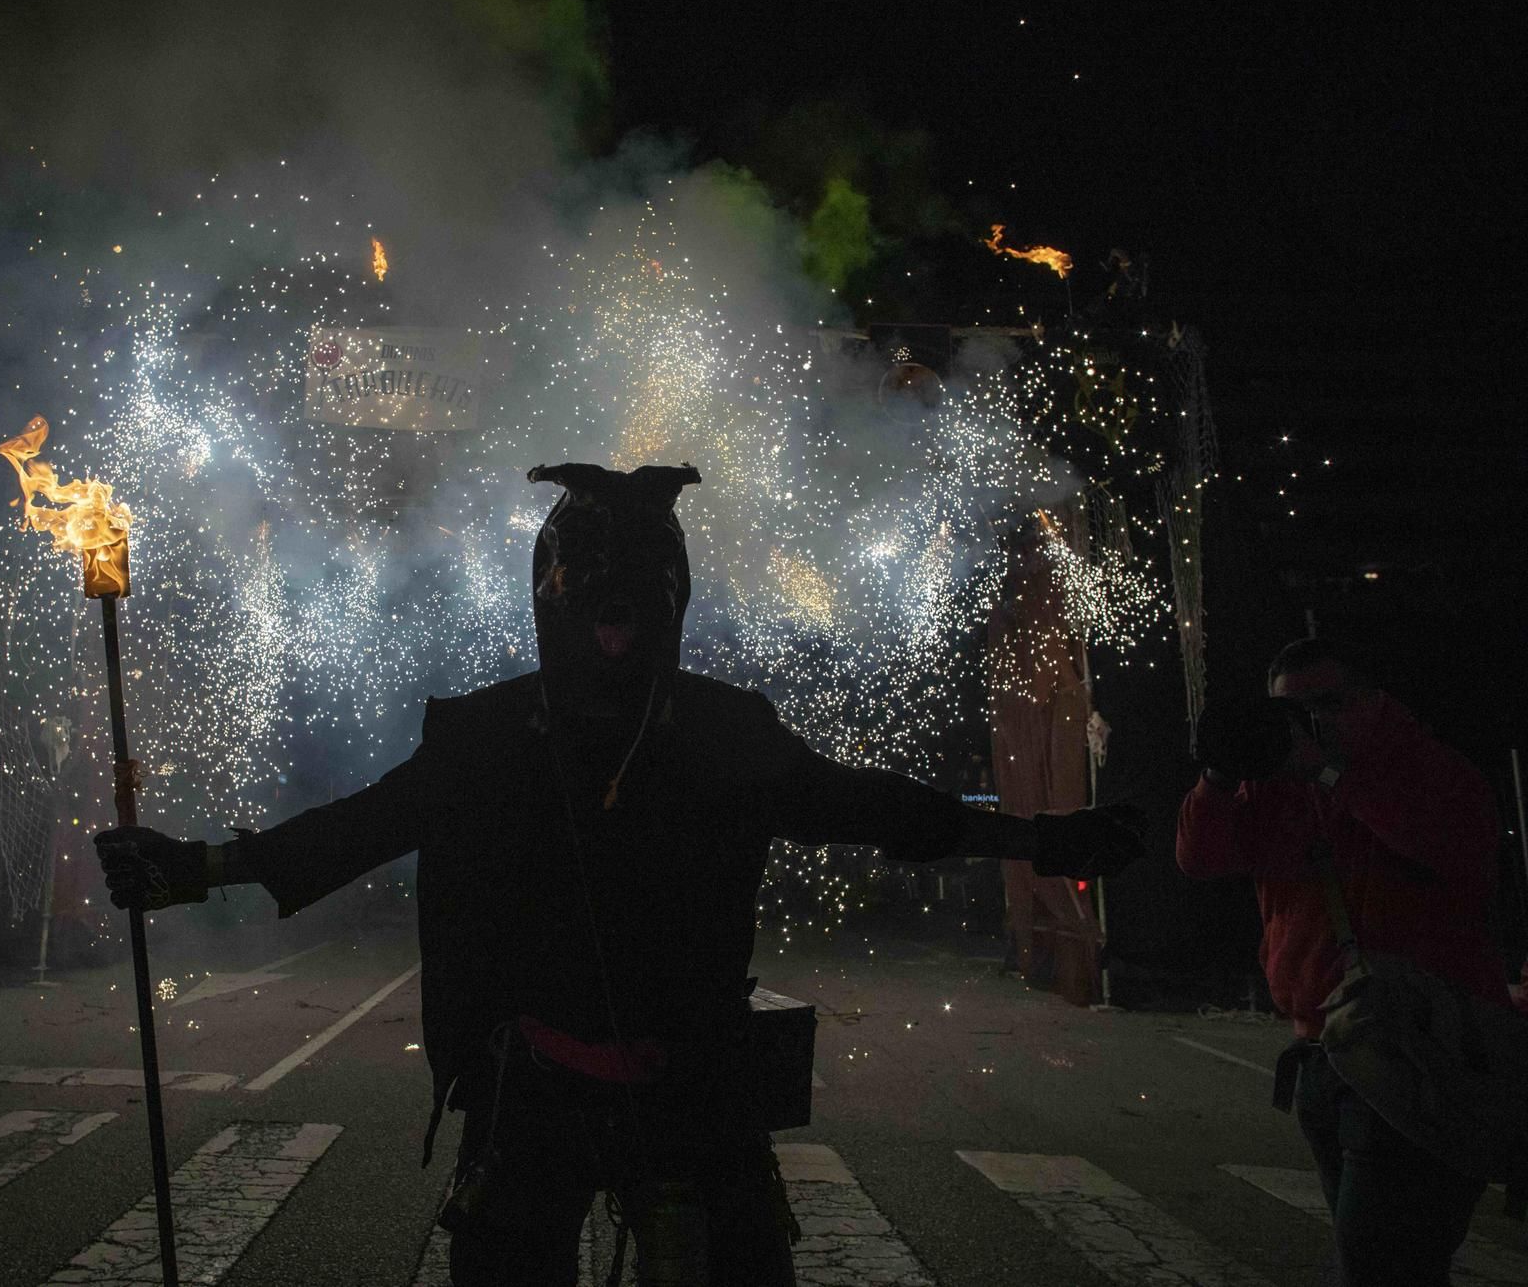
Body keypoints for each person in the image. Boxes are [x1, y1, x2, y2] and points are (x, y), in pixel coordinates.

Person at [97, 462, 1143, 1287]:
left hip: (692, 1084)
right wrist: (197, 866)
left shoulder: (723, 733)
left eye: (633, 599)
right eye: (593, 597)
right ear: (552, 599)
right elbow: (359, 828)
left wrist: (1033, 838)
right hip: (536, 1086)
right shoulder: (493, 737)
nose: (613, 627)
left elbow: (872, 807)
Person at [1177, 637, 1510, 1287]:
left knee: (1379, 1264)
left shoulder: (1423, 766)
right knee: (1391, 1264)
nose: (1310, 721)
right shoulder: (1273, 785)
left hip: (1419, 1052)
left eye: (1327, 704)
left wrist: (1327, 772)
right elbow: (1200, 856)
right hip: (1324, 1056)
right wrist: (1219, 772)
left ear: (1374, 702)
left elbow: (1448, 842)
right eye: (1291, 710)